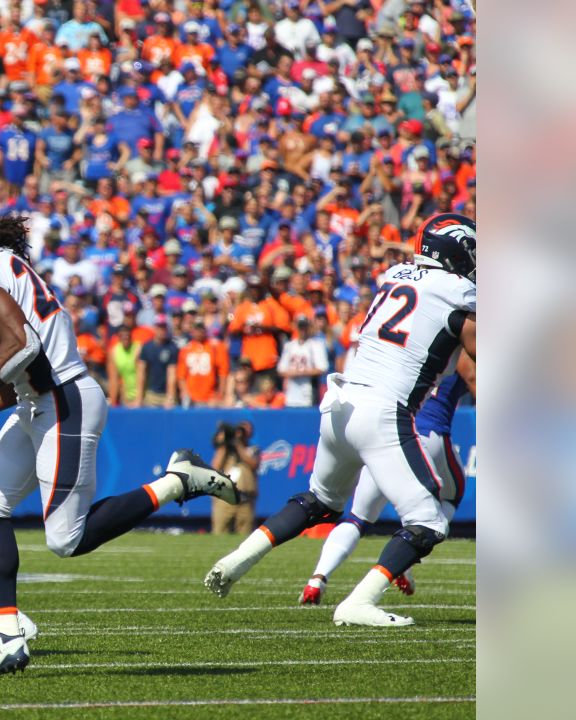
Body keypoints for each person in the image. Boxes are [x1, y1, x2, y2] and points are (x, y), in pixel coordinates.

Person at [0, 184, 239, 678]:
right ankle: (6, 635)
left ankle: (176, 482)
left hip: (63, 402)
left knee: (66, 540)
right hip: (41, 398)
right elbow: (18, 365)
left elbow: (21, 345)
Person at [204, 213, 477, 627]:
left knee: (318, 503)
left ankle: (236, 559)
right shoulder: (460, 293)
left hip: (339, 403)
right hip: (384, 412)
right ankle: (359, 602)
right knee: (429, 521)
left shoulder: (394, 274)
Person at [300, 357, 476, 605]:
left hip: (388, 437)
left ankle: (317, 578)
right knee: (452, 495)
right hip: (429, 434)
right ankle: (407, 553)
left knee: (357, 518)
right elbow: (473, 376)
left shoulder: (412, 343)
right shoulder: (461, 343)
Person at [210, 421, 260, 535]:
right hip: (224, 497)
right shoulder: (226, 449)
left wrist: (238, 445)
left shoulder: (253, 449)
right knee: (220, 532)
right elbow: (215, 466)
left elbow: (253, 464)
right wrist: (224, 444)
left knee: (245, 535)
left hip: (245, 498)